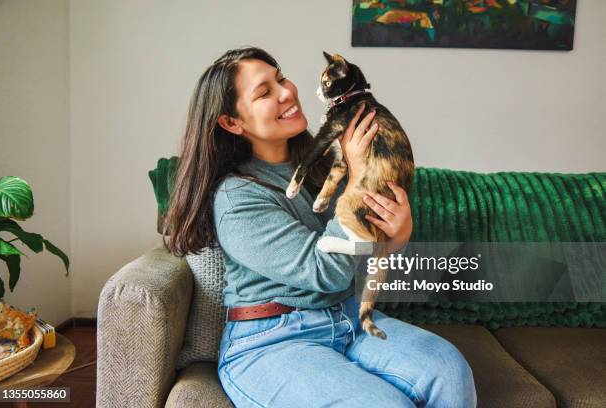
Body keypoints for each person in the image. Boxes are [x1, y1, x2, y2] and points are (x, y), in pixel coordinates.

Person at [164, 47, 477, 408]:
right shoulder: (237, 197)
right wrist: (359, 180)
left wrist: (397, 239)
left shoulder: (328, 166)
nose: (286, 92)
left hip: (351, 318)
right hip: (274, 340)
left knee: (449, 369)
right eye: (265, 92)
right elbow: (326, 272)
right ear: (233, 123)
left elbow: (357, 267)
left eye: (280, 77)